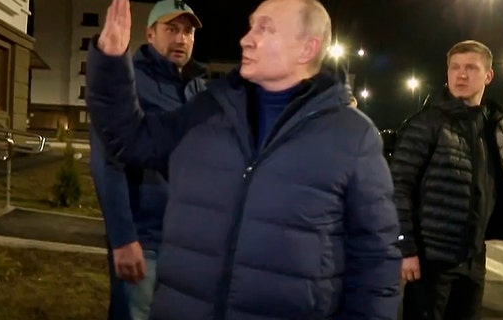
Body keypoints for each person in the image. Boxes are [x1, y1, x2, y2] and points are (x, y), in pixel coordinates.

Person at [87, 0, 402, 318]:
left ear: (307, 48)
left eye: (264, 28)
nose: (246, 39)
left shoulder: (353, 137)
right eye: (251, 26)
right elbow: (130, 139)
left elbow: (376, 262)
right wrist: (111, 61)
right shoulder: (209, 110)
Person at [390, 40, 503, 320]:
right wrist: (406, 248)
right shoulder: (427, 123)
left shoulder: (492, 128)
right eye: (454, 67)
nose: (461, 74)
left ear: (488, 76)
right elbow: (397, 190)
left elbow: (489, 182)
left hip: (473, 259)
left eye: (471, 67)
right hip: (432, 262)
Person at [88, 0, 206, 319]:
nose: (181, 39)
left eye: (188, 31)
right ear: (150, 34)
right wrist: (124, 238)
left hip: (185, 242)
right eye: (171, 29)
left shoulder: (197, 88)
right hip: (145, 238)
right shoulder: (128, 82)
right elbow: (106, 163)